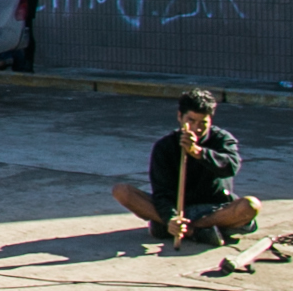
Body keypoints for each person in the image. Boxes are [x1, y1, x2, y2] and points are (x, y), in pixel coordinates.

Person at [111, 88, 259, 248]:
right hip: (178, 208)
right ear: (180, 117)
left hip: (215, 210)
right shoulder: (165, 146)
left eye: (203, 122)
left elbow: (231, 167)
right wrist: (171, 218)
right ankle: (183, 229)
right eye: (191, 120)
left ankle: (193, 229)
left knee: (250, 205)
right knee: (122, 191)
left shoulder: (222, 139)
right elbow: (161, 191)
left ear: (211, 120)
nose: (197, 128)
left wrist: (199, 153)